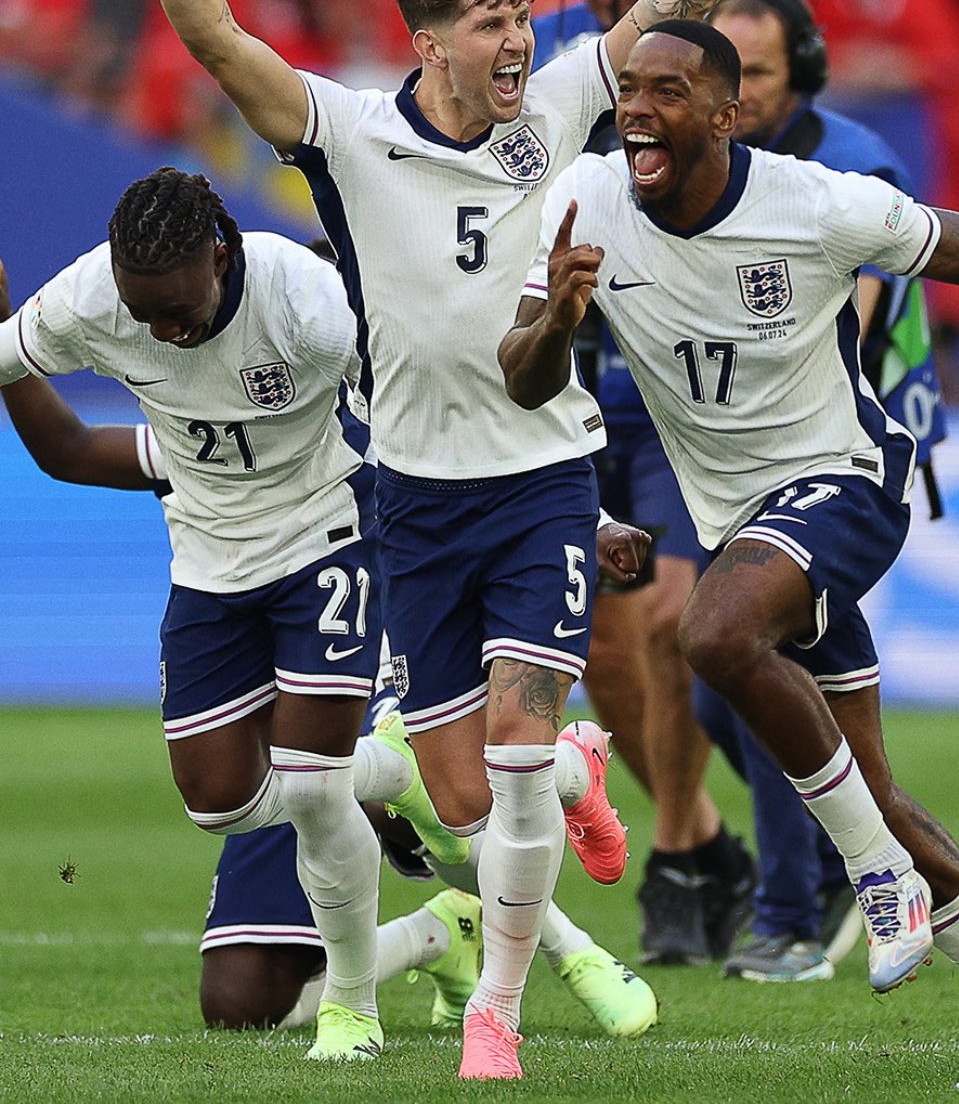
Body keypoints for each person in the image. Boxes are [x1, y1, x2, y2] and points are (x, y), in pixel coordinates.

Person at [102, 0, 802, 1080]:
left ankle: (497, 1012)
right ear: (429, 39)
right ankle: (585, 776)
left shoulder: (557, 105)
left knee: (517, 759)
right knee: (468, 791)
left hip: (543, 472)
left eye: (520, 16)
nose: (515, 39)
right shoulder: (354, 134)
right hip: (408, 499)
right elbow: (216, 44)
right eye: (489, 22)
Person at [499, 18, 959, 1088]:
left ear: (725, 114)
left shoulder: (813, 203)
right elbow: (523, 379)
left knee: (709, 632)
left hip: (847, 484)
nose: (635, 108)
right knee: (873, 786)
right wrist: (557, 320)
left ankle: (873, 879)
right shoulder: (580, 202)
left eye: (667, 91)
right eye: (629, 88)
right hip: (740, 522)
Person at [0, 252, 658, 1042]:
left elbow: (498, 474)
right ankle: (445, 931)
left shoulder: (387, 440)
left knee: (426, 790)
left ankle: (564, 940)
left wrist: (592, 521)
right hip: (283, 730)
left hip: (379, 686)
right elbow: (70, 450)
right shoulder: (209, 434)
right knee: (241, 1002)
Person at [0, 168, 469, 1062]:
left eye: (177, 309)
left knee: (312, 779)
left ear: (224, 255)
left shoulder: (314, 314)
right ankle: (395, 786)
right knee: (222, 812)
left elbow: (423, 421)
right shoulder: (97, 309)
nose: (162, 333)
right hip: (213, 579)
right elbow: (52, 423)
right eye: (145, 316)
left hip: (327, 543)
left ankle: (356, 1007)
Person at [692, 0, 950, 983]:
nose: (738, 89)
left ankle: (793, 915)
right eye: (725, 69)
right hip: (754, 454)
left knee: (752, 652)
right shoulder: (709, 163)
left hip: (852, 445)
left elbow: (871, 315)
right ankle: (851, 848)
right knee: (723, 692)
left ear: (802, 68)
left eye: (756, 70)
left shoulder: (851, 160)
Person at [535, 0, 756, 967]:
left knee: (674, 623)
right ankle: (707, 835)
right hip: (564, 380)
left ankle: (672, 858)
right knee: (606, 659)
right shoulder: (536, 63)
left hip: (668, 376)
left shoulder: (683, 52)